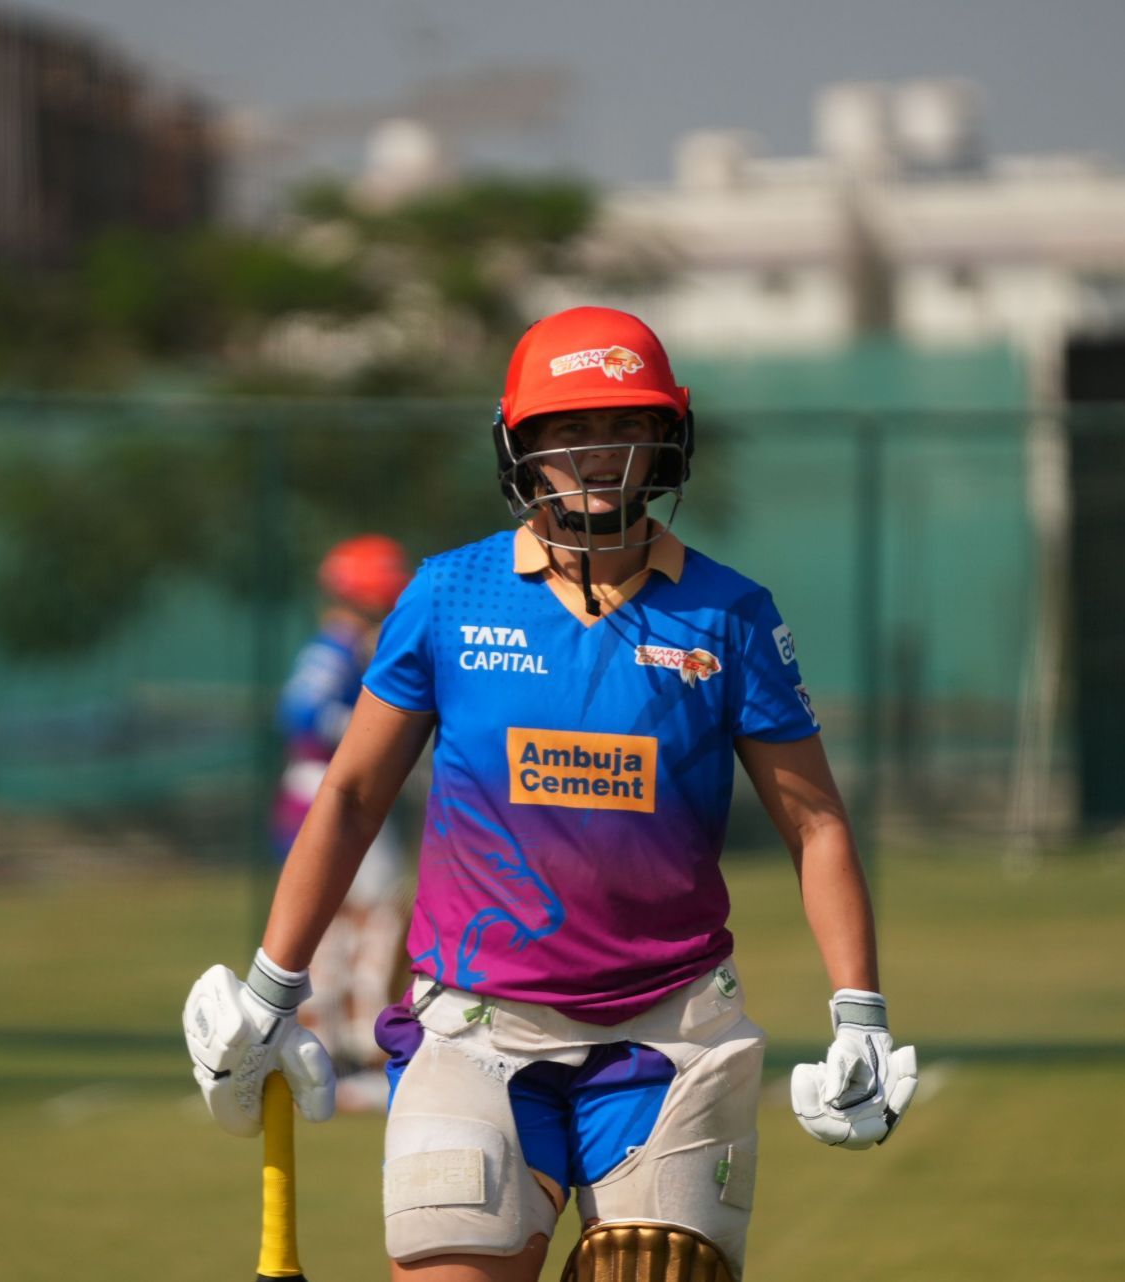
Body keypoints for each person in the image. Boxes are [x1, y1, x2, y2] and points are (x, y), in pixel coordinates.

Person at [185, 307, 917, 1281]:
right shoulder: (449, 595)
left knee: (654, 1269)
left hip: (670, 1029)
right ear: (521, 446)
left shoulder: (732, 613)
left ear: (665, 438)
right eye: (568, 432)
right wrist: (273, 991)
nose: (598, 456)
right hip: (476, 1024)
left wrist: (858, 1010)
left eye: (624, 427)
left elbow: (815, 821)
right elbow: (355, 793)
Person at [273, 534, 415, 1104]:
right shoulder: (334, 649)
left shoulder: (344, 647)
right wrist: (371, 732)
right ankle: (355, 1048)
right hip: (326, 797)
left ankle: (336, 1048)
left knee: (347, 927)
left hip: (318, 796)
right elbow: (303, 718)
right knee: (364, 926)